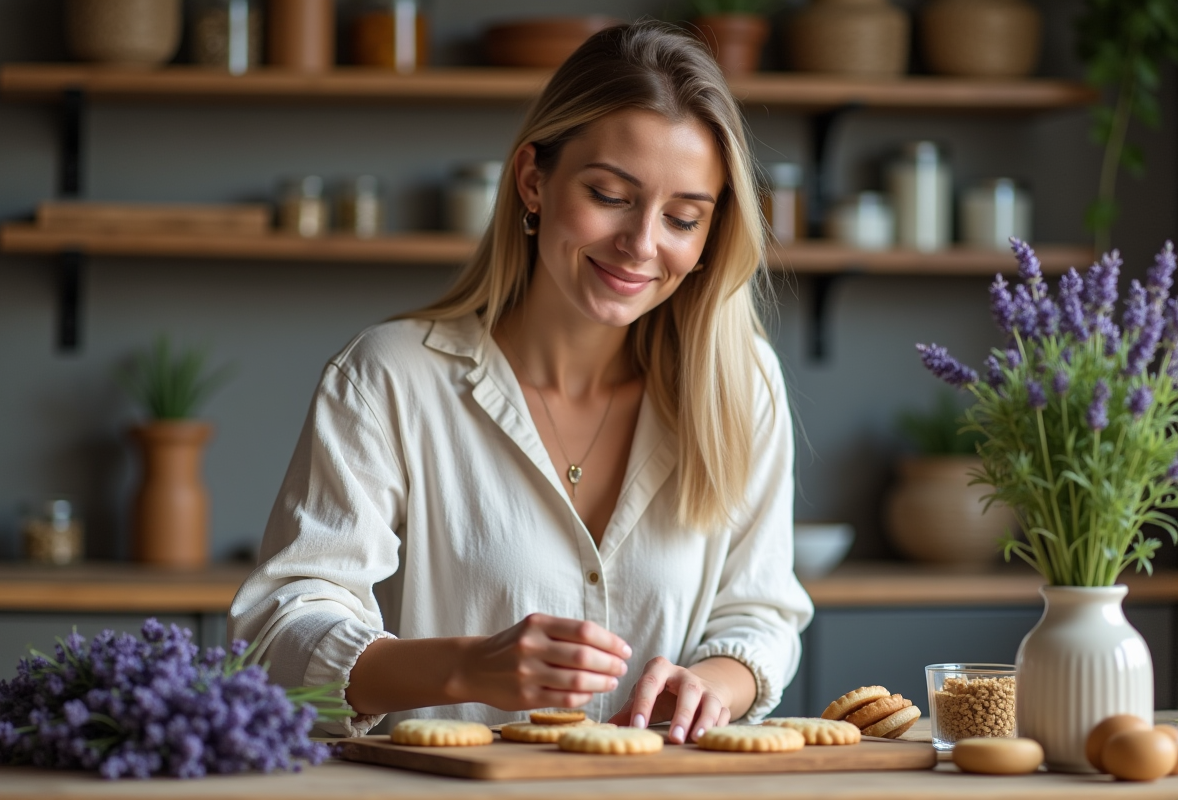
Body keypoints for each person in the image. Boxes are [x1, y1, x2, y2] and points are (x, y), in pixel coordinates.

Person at [228, 20, 813, 744]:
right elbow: (279, 638)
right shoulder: (391, 377)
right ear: (534, 181)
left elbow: (760, 612)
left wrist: (715, 683)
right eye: (610, 195)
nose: (641, 244)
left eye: (683, 217)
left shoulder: (741, 381)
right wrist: (465, 668)